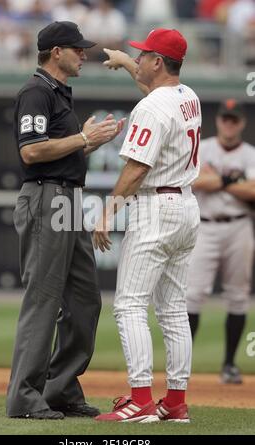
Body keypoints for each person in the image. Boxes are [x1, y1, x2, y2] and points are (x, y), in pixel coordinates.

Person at [6, 20, 125, 420]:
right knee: (43, 298)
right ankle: (24, 397)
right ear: (56, 52)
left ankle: (60, 390)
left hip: (69, 198)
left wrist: (88, 143)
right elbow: (32, 153)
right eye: (77, 49)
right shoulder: (36, 91)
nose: (84, 54)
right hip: (45, 196)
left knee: (84, 299)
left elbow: (61, 153)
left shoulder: (57, 92)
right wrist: (83, 139)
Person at [93, 28, 202, 423]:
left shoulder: (154, 106)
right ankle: (175, 402)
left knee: (129, 305)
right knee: (173, 309)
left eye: (142, 55)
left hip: (156, 207)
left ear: (158, 62)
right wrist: (124, 63)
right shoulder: (186, 96)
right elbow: (154, 98)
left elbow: (137, 168)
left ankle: (140, 399)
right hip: (186, 206)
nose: (138, 59)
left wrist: (107, 213)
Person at [186, 99, 255, 384]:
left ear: (242, 123)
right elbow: (193, 181)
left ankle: (229, 364)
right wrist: (232, 180)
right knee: (192, 294)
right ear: (218, 121)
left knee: (238, 295)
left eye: (234, 119)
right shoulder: (203, 147)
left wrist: (218, 179)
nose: (229, 123)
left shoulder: (251, 154)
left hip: (239, 226)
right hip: (206, 225)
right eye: (225, 118)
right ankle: (183, 366)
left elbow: (253, 192)